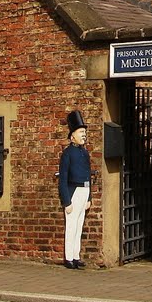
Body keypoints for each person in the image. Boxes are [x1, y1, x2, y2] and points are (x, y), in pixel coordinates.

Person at [58, 110, 91, 269]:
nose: (84, 135)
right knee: (71, 226)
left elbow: (89, 176)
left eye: (84, 132)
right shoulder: (67, 154)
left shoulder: (85, 153)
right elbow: (63, 179)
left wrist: (89, 197)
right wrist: (66, 200)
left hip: (84, 191)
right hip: (73, 192)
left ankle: (76, 255)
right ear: (72, 136)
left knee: (79, 226)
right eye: (80, 132)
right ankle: (69, 257)